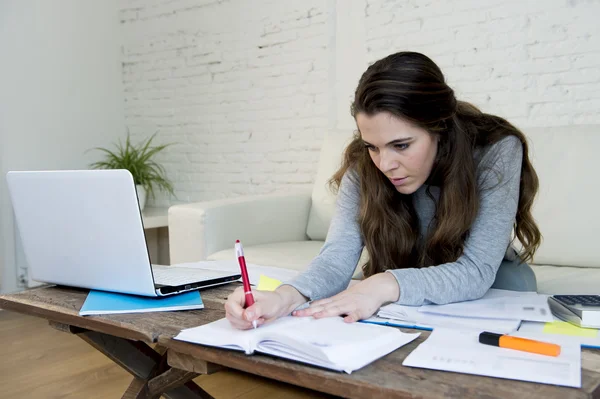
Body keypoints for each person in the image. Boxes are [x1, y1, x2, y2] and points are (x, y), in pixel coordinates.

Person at [225, 51, 542, 330]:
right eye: (373, 147)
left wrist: (384, 283)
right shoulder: (365, 162)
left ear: (440, 127)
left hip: (483, 284)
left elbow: (476, 271)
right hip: (401, 286)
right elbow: (336, 259)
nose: (385, 164)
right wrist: (283, 298)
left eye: (402, 145)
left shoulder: (496, 150)